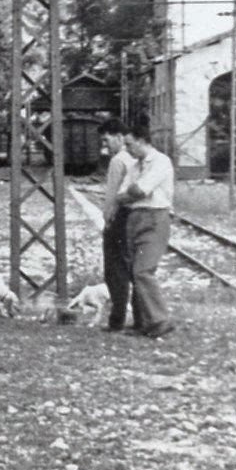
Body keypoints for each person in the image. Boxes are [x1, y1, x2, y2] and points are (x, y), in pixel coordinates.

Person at [119, 120, 175, 339]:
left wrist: (133, 192)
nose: (127, 149)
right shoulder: (134, 166)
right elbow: (122, 194)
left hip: (155, 217)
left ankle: (160, 320)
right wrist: (131, 193)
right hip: (134, 218)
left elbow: (140, 190)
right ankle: (143, 322)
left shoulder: (161, 162)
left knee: (143, 270)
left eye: (130, 144)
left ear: (142, 141)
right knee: (135, 271)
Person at [97, 118, 139, 332]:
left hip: (119, 218)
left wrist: (107, 219)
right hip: (134, 217)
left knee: (115, 270)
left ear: (119, 137)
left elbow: (112, 195)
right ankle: (139, 317)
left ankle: (117, 320)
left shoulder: (118, 161)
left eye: (107, 140)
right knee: (133, 268)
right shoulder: (135, 158)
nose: (106, 145)